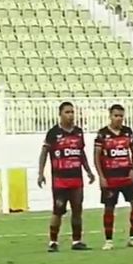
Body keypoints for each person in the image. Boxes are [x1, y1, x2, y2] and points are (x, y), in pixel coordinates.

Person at [38, 102, 95, 252]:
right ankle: (53, 242)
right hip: (60, 181)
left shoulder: (78, 132)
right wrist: (40, 173)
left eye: (72, 112)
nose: (70, 115)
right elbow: (44, 152)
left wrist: (88, 171)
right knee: (58, 211)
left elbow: (80, 153)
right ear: (60, 114)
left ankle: (77, 241)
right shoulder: (53, 133)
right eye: (67, 112)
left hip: (77, 180)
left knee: (77, 210)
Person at [94, 104, 133, 250]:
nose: (119, 119)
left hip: (127, 175)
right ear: (110, 116)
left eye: (121, 116)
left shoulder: (127, 132)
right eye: (116, 116)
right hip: (110, 177)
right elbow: (96, 157)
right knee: (109, 208)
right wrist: (101, 177)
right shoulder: (102, 134)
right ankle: (108, 240)